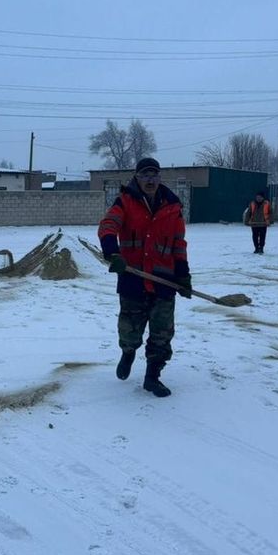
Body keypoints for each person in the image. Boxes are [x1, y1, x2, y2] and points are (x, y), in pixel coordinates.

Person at [98, 157, 191, 398]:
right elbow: (109, 225)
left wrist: (183, 275)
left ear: (160, 177)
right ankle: (128, 352)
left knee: (162, 333)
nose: (150, 179)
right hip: (133, 276)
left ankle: (152, 377)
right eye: (145, 175)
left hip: (164, 280)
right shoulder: (125, 201)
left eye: (154, 174)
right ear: (137, 177)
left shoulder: (172, 205)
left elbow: (179, 243)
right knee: (130, 330)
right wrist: (112, 252)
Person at [243, 190, 273, 254]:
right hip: (254, 224)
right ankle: (256, 248)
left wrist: (270, 221)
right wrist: (246, 221)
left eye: (260, 197)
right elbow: (248, 213)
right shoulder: (252, 204)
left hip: (263, 224)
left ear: (263, 198)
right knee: (255, 236)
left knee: (262, 236)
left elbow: (271, 213)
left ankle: (261, 248)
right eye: (257, 197)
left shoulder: (267, 204)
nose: (258, 198)